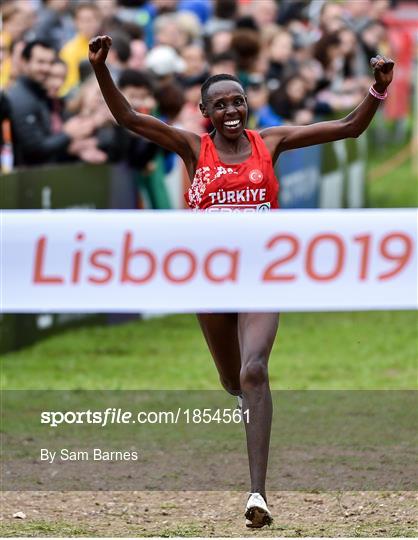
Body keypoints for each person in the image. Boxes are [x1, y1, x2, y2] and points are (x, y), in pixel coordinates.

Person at [88, 34, 394, 528]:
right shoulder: (193, 147)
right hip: (210, 280)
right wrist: (101, 69)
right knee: (233, 380)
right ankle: (244, 402)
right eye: (221, 104)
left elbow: (349, 127)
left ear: (248, 105)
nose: (232, 110)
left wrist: (378, 90)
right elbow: (129, 119)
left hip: (260, 274)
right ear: (206, 111)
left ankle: (258, 495)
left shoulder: (269, 143)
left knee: (255, 372)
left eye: (239, 101)